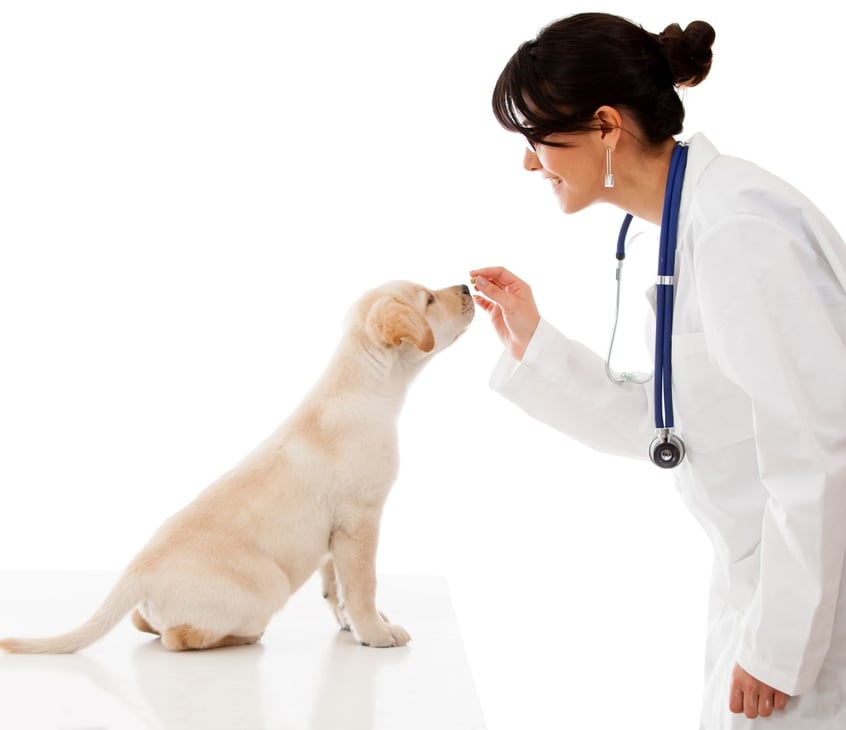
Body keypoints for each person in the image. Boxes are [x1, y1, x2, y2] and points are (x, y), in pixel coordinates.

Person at [470, 12, 846, 729]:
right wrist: (533, 342)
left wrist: (779, 646)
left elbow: (820, 449)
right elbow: (676, 430)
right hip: (763, 580)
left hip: (809, 600)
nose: (528, 163)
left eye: (535, 137)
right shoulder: (688, 223)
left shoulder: (738, 225)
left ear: (606, 126)